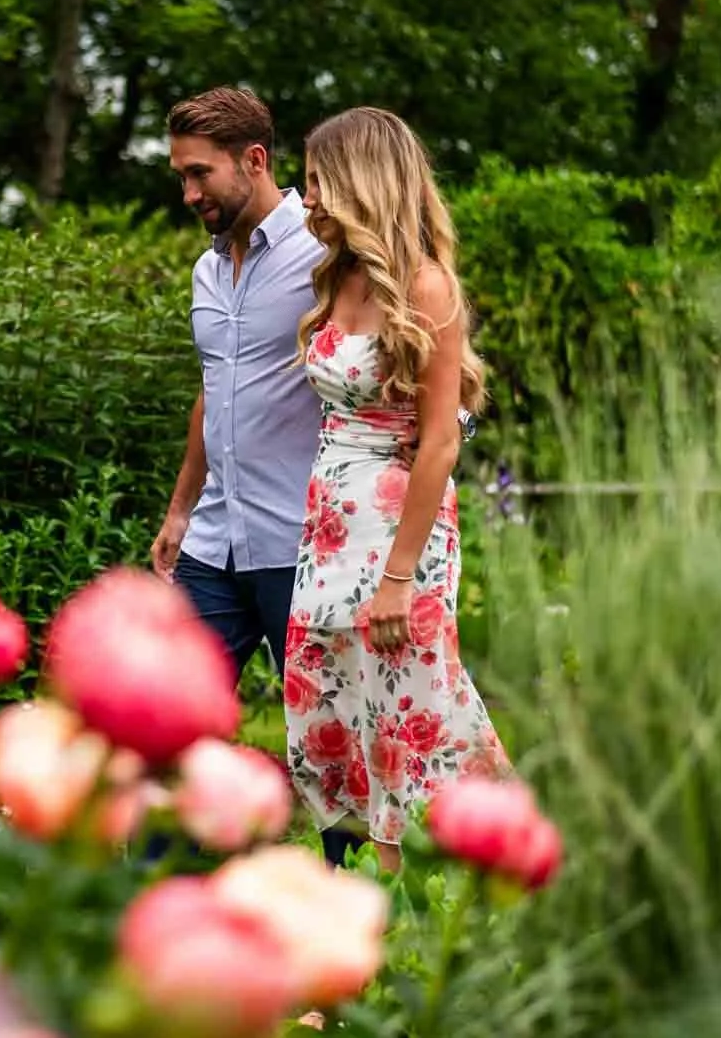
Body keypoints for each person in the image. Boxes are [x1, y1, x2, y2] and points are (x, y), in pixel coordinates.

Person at [283, 106, 508, 874]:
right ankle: (356, 895)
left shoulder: (426, 285)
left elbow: (441, 437)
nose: (305, 196)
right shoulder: (341, 273)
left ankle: (421, 896)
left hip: (396, 534)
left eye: (315, 180)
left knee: (400, 709)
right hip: (328, 529)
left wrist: (399, 578)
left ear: (356, 181)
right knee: (330, 701)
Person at [149, 85, 363, 865]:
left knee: (327, 739)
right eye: (181, 175)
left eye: (200, 173)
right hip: (213, 544)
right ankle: (153, 896)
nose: (189, 192)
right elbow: (216, 390)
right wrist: (180, 510)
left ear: (256, 160)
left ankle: (347, 905)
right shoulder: (209, 271)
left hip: (302, 546)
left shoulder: (328, 254)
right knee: (169, 725)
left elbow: (396, 371)